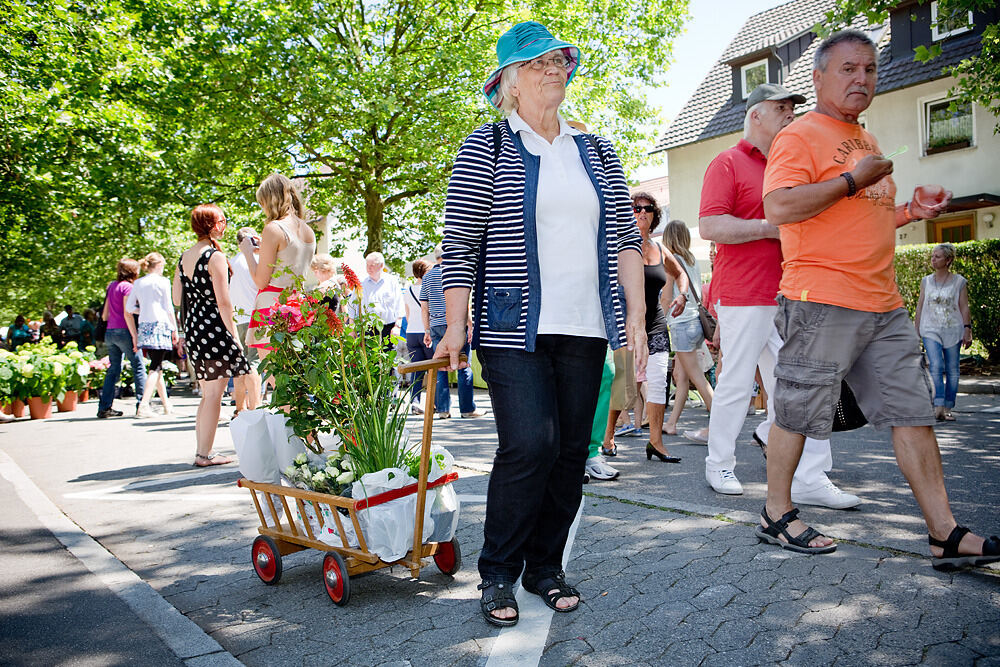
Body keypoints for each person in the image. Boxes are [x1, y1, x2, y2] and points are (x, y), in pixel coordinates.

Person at [434, 21, 647, 626]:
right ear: (507, 81)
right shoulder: (486, 146)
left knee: (569, 454)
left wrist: (634, 312)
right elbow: (460, 244)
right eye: (536, 64)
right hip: (510, 327)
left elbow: (625, 238)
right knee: (530, 445)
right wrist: (455, 325)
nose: (553, 70)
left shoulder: (596, 150)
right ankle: (498, 571)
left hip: (584, 325)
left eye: (559, 60)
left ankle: (544, 567)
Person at [759, 29, 999, 567]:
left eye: (869, 69)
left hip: (883, 303)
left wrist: (912, 211)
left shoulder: (865, 139)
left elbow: (864, 219)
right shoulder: (799, 136)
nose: (861, 78)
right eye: (848, 69)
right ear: (819, 76)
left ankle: (944, 533)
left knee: (913, 413)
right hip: (821, 297)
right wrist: (849, 180)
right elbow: (778, 208)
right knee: (797, 411)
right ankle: (776, 512)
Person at [697, 82, 858, 510]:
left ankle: (810, 478)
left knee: (802, 388)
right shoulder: (727, 162)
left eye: (793, 109)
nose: (791, 115)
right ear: (755, 115)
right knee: (735, 382)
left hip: (793, 292)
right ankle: (719, 464)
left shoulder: (789, 166)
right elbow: (710, 227)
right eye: (782, 109)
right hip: (745, 293)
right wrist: (771, 228)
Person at [173, 204, 250, 467]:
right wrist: (234, 337)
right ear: (211, 225)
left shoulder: (184, 257)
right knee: (214, 395)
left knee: (209, 394)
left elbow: (176, 297)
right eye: (221, 220)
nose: (224, 225)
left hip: (195, 328)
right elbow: (224, 302)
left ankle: (202, 451)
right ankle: (203, 454)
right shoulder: (214, 256)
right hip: (214, 329)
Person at [631, 192, 688, 464]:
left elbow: (680, 274)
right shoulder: (619, 245)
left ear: (654, 215)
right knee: (620, 384)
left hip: (655, 325)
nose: (642, 212)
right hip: (626, 324)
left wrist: (682, 295)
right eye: (637, 208)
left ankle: (656, 442)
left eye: (648, 209)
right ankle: (605, 440)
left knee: (656, 385)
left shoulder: (659, 248)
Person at [240, 173, 317, 360]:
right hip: (297, 306)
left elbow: (261, 281)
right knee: (294, 379)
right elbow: (290, 259)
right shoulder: (308, 231)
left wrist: (248, 253)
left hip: (272, 307)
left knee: (276, 379)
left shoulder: (273, 228)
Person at [660, 220, 715, 440]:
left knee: (698, 379)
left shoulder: (671, 262)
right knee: (681, 376)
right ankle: (671, 423)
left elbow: (666, 297)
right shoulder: (692, 261)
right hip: (695, 324)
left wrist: (657, 322)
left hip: (682, 324)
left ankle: (718, 427)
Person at [420, 245, 484, 420]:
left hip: (436, 325)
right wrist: (470, 325)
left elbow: (424, 307)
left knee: (440, 367)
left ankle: (442, 409)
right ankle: (467, 409)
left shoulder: (427, 277)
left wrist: (426, 329)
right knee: (464, 365)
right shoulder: (455, 273)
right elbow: (465, 304)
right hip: (456, 324)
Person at [915, 243, 972, 422]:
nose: (933, 259)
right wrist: (916, 330)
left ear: (948, 260)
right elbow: (920, 306)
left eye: (938, 256)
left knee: (953, 370)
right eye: (932, 255)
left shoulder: (959, 281)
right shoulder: (926, 281)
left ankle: (947, 407)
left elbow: (964, 307)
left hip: (952, 329)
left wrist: (967, 329)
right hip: (930, 329)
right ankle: (938, 405)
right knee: (936, 365)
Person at [125, 252, 178, 417]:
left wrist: (142, 310)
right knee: (155, 366)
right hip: (161, 324)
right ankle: (144, 405)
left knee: (157, 365)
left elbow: (129, 308)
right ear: (160, 265)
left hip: (144, 325)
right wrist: (174, 329)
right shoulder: (163, 281)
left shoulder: (139, 283)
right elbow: (168, 307)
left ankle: (166, 405)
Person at [97, 259, 147, 418]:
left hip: (110, 332)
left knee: (113, 370)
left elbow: (104, 315)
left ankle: (104, 407)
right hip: (125, 331)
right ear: (134, 272)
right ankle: (142, 405)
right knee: (138, 366)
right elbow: (128, 313)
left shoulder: (112, 286)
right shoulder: (128, 287)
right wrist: (135, 336)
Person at [231, 227, 263, 413]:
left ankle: (240, 407)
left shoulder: (233, 262)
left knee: (241, 364)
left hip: (237, 318)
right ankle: (255, 406)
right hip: (255, 316)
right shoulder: (256, 260)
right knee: (255, 363)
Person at [403, 259, 432, 414]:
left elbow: (407, 315)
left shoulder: (408, 290)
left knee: (417, 370)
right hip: (426, 331)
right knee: (434, 369)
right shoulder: (430, 288)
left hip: (411, 332)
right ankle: (436, 403)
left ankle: (415, 402)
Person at [354, 252, 405, 340]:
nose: (369, 268)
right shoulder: (361, 283)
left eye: (372, 265)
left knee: (388, 353)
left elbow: (399, 304)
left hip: (389, 328)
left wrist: (397, 326)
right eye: (367, 265)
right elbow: (353, 305)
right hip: (368, 328)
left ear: (381, 265)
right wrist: (352, 327)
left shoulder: (392, 281)